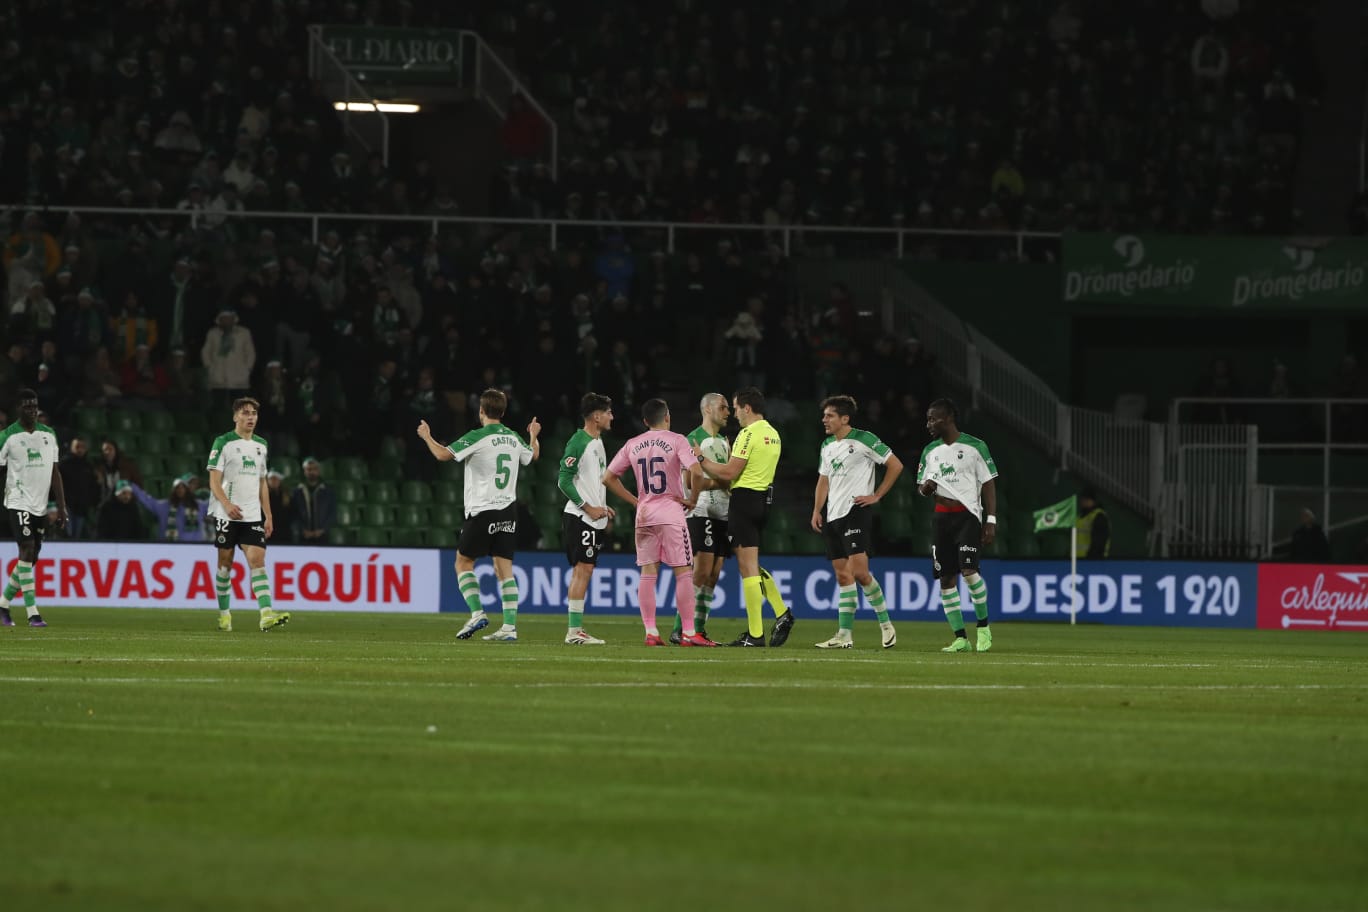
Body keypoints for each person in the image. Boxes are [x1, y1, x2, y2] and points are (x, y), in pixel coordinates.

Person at [416, 388, 540, 642]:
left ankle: (477, 612)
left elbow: (442, 455)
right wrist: (533, 436)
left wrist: (427, 437)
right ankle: (509, 627)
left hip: (483, 510)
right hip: (508, 510)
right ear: (503, 412)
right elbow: (533, 455)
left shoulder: (478, 436)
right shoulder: (513, 437)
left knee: (463, 563)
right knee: (504, 567)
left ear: (481, 411)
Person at [603, 398, 717, 646]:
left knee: (647, 574)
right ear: (667, 417)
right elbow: (696, 471)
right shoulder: (677, 440)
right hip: (670, 513)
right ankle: (688, 632)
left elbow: (608, 478)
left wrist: (636, 502)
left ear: (645, 421)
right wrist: (693, 500)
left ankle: (651, 632)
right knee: (684, 573)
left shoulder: (633, 444)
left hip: (644, 516)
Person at [694, 386, 796, 647]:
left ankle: (757, 632)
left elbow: (729, 473)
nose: (735, 413)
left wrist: (701, 459)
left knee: (747, 568)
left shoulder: (747, 434)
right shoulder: (774, 434)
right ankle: (778, 616)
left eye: (737, 407)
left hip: (744, 500)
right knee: (751, 564)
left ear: (747, 408)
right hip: (764, 500)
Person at [810, 395, 904, 649]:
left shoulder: (865, 439)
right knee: (843, 577)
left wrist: (877, 495)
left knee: (860, 572)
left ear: (845, 418)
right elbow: (823, 480)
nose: (824, 420)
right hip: (833, 515)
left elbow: (895, 465)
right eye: (824, 415)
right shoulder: (827, 445)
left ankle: (886, 625)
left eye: (829, 415)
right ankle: (844, 636)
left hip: (856, 510)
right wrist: (817, 510)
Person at [916, 398, 997, 653]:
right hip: (941, 518)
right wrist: (925, 489)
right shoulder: (930, 450)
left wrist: (990, 520)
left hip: (968, 516)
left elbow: (988, 483)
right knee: (946, 578)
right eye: (928, 419)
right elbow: (921, 488)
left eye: (933, 419)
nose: (928, 424)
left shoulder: (976, 446)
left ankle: (983, 628)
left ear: (948, 418)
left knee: (970, 573)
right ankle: (960, 638)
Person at [206, 397, 288, 633]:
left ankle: (266, 615)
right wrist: (227, 504)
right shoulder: (223, 442)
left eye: (254, 413)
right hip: (226, 513)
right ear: (235, 417)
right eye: (245, 413)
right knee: (225, 564)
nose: (250, 417)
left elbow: (262, 483)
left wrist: (268, 516)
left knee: (257, 561)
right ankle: (224, 614)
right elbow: (213, 480)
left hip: (252, 515)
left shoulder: (262, 445)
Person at [670, 392, 734, 644]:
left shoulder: (725, 442)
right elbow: (688, 481)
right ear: (707, 409)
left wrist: (724, 482)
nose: (728, 412)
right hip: (701, 510)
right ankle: (680, 629)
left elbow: (730, 480)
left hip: (724, 511)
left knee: (714, 574)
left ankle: (698, 630)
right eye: (723, 407)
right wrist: (721, 482)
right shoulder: (693, 439)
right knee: (700, 571)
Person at [0, 389, 67, 627]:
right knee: (27, 549)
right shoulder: (7, 437)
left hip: (40, 506)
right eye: (27, 406)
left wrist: (61, 507)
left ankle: (2, 605)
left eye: (35, 406)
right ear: (18, 408)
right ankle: (33, 613)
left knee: (30, 558)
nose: (32, 410)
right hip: (17, 501)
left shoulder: (49, 435)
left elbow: (55, 472)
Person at [557, 392, 615, 645]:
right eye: (608, 413)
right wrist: (588, 507)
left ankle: (575, 630)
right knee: (583, 570)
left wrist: (602, 505)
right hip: (580, 517)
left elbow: (591, 481)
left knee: (585, 570)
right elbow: (563, 480)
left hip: (593, 517)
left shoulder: (598, 442)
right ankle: (574, 631)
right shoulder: (578, 442)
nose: (612, 417)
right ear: (596, 416)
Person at [129, 474, 209, 541]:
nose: (180, 490)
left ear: (187, 490)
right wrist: (132, 485)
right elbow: (146, 499)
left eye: (183, 487)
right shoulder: (163, 506)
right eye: (177, 488)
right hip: (168, 549)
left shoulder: (199, 506)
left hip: (195, 549)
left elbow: (215, 502)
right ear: (173, 491)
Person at [58, 435, 99, 539]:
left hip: (82, 508)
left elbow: (92, 486)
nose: (80, 449)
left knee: (77, 536)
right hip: (67, 507)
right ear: (71, 448)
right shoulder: (63, 464)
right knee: (67, 534)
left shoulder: (89, 466)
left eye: (82, 447)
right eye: (77, 447)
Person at [291, 457, 336, 544]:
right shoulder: (297, 492)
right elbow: (293, 514)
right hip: (303, 537)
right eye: (309, 469)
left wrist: (322, 530)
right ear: (304, 471)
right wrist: (302, 530)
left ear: (318, 471)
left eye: (314, 469)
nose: (312, 472)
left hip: (323, 537)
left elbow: (332, 513)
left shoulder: (328, 491)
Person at [1077, 488, 1110, 559]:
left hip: (1090, 563)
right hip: (1076, 562)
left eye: (1083, 499)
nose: (1081, 502)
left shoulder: (1099, 516)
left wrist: (1091, 561)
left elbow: (1099, 543)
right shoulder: (1080, 517)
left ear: (1089, 500)